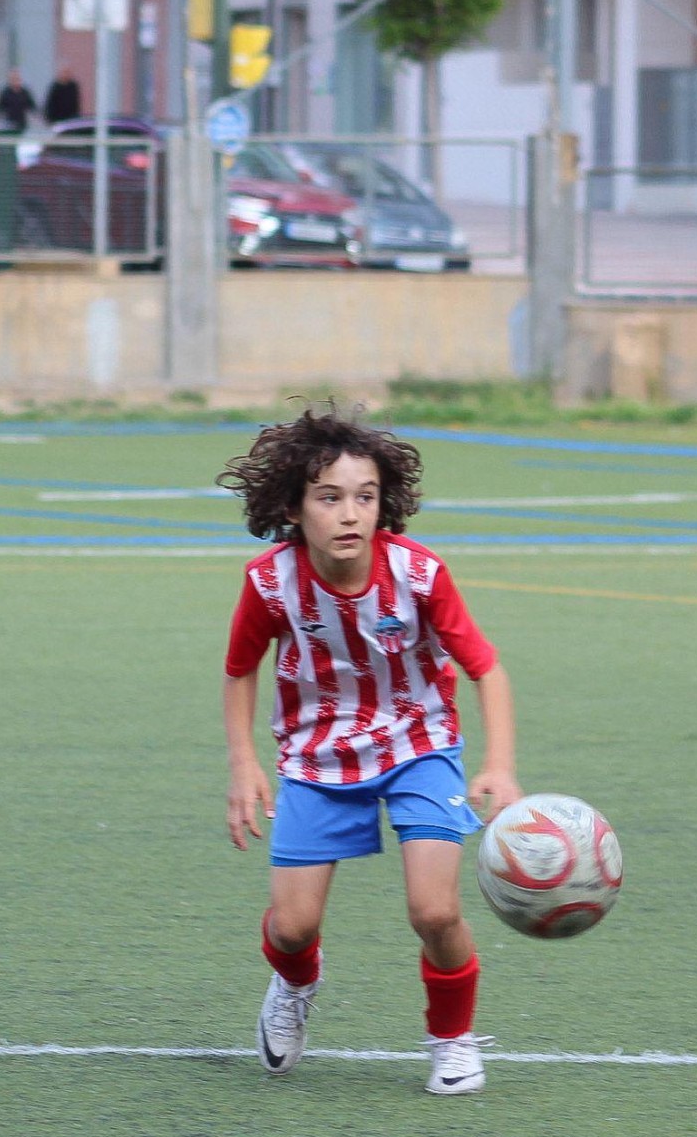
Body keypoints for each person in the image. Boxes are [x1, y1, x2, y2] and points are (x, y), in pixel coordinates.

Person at [218, 407, 522, 1096]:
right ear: (294, 507)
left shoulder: (418, 573)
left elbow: (486, 667)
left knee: (435, 911)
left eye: (366, 496)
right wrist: (243, 763)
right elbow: (240, 668)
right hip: (318, 755)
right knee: (293, 926)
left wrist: (499, 763)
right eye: (329, 497)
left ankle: (452, 1036)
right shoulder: (271, 583)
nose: (350, 512)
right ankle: (295, 982)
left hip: (420, 743)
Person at [0, 68, 38, 132]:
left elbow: (32, 107)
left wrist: (37, 117)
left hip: (22, 123)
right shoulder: (5, 93)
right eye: (13, 79)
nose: (15, 81)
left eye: (17, 79)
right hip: (9, 123)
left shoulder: (25, 92)